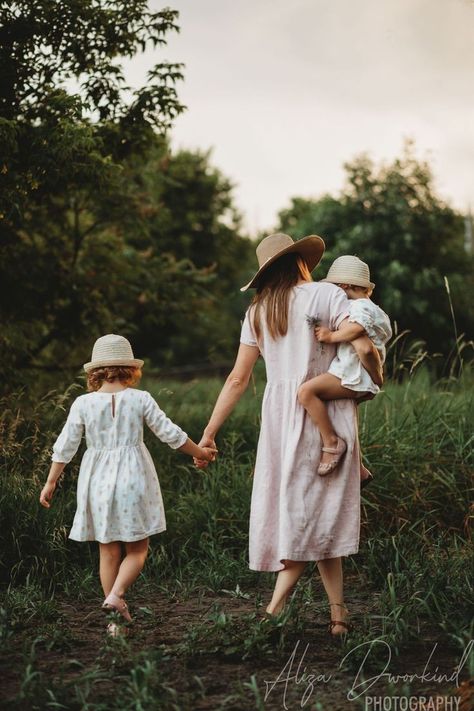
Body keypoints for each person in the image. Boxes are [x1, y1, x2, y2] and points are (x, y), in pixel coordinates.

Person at [194, 233, 382, 636]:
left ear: (265, 272)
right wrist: (377, 379)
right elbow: (361, 344)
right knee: (315, 512)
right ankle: (300, 611)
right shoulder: (327, 296)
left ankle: (332, 614)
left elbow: (237, 378)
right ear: (300, 260)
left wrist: (209, 432)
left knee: (312, 511)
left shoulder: (256, 312)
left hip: (281, 418)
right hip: (325, 410)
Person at [39, 334, 216, 634]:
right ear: (130, 369)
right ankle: (117, 596)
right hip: (134, 478)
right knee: (137, 550)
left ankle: (114, 622)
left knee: (108, 552)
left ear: (94, 372)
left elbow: (65, 446)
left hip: (96, 482)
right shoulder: (140, 398)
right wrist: (200, 452)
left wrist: (50, 481)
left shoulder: (83, 403)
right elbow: (169, 433)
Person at [298, 256, 392, 482]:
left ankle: (331, 442)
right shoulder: (376, 310)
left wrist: (331, 336)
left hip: (353, 374)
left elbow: (359, 335)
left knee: (306, 392)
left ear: (344, 287)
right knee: (341, 413)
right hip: (359, 377)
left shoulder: (358, 307)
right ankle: (357, 468)